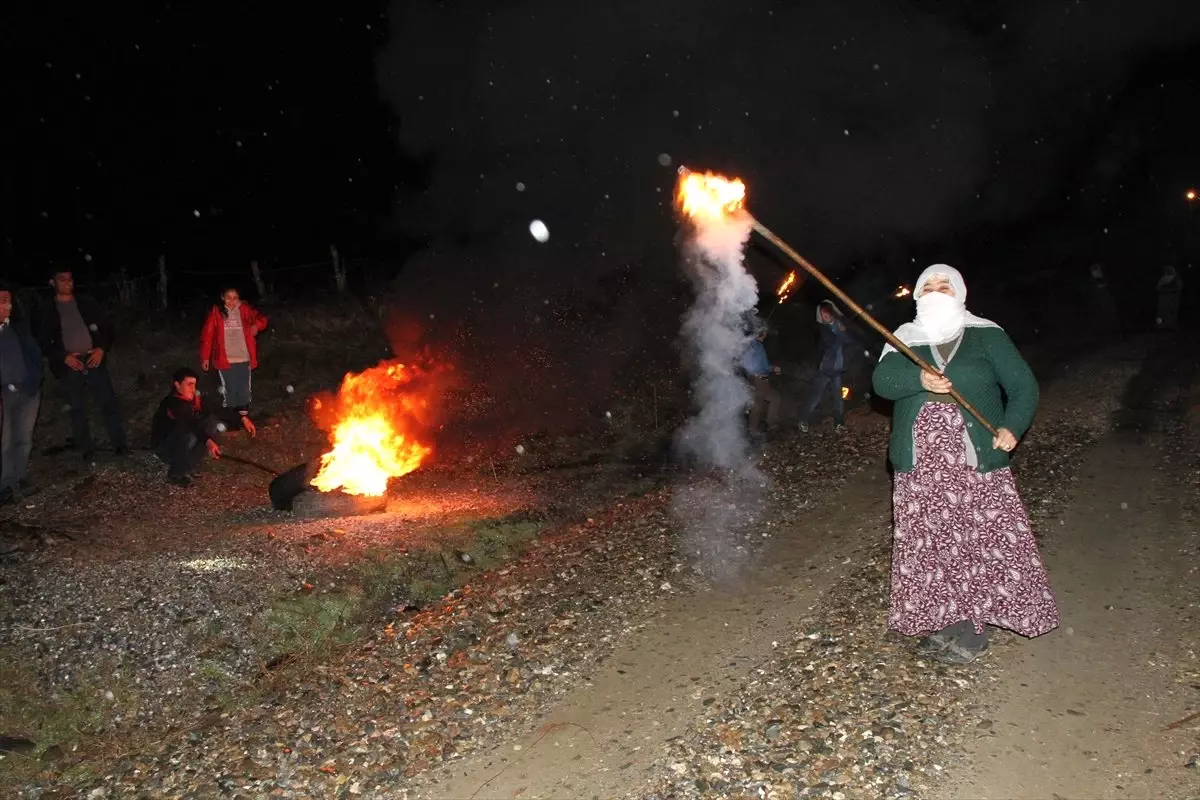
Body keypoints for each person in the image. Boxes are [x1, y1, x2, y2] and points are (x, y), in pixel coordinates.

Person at [872, 264, 1058, 665]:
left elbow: (1023, 387)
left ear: (959, 292)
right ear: (917, 295)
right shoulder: (904, 337)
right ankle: (943, 619)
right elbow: (882, 383)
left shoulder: (986, 335)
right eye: (928, 286)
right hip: (920, 463)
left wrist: (1012, 426)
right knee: (931, 539)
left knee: (971, 539)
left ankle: (973, 628)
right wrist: (918, 381)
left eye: (945, 285)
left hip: (970, 458)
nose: (936, 291)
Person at [37, 268, 127, 459]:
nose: (68, 283)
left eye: (70, 279)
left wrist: (101, 348)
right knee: (77, 408)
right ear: (53, 283)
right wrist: (63, 356)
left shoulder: (86, 303)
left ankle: (120, 444)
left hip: (93, 359)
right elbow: (43, 340)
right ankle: (86, 449)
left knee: (107, 402)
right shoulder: (47, 309)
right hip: (70, 364)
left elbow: (107, 328)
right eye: (62, 280)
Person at [151, 367, 257, 487]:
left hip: (181, 440)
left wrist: (241, 418)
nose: (193, 389)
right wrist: (208, 442)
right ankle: (176, 473)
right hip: (165, 447)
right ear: (177, 385)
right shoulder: (173, 403)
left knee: (210, 421)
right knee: (187, 433)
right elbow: (190, 423)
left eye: (194, 384)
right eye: (189, 384)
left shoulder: (194, 399)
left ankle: (189, 466)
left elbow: (216, 409)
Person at [0, 285, 44, 503]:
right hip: (3, 396)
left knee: (24, 439)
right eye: (1, 300)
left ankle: (19, 478)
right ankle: (5, 485)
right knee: (4, 442)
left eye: (8, 299)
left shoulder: (18, 328)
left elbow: (35, 355)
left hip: (27, 391)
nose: (6, 305)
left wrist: (34, 382)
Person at [199, 288, 268, 419]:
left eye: (235, 298)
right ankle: (231, 420)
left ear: (239, 298)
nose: (232, 301)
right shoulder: (216, 312)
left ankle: (244, 419)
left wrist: (256, 325)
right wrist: (205, 358)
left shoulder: (245, 309)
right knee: (230, 389)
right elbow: (207, 335)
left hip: (244, 357)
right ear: (222, 298)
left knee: (244, 390)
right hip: (225, 359)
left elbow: (262, 319)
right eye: (228, 297)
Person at [799, 300, 853, 434]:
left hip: (837, 369)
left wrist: (843, 332)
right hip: (825, 369)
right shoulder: (823, 329)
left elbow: (848, 341)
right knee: (816, 397)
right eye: (823, 314)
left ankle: (839, 424)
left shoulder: (839, 324)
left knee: (838, 399)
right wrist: (840, 333)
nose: (826, 315)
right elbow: (831, 344)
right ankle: (803, 421)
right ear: (821, 316)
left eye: (828, 312)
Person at [741, 325, 782, 435]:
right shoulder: (757, 346)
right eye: (765, 332)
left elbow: (754, 364)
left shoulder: (751, 345)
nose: (766, 334)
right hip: (759, 380)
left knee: (775, 398)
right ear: (762, 333)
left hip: (759, 379)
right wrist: (773, 368)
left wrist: (770, 368)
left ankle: (770, 423)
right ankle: (753, 430)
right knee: (757, 405)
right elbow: (760, 366)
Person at [1156, 265, 1183, 331]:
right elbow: (1158, 288)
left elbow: (1179, 287)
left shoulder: (1176, 279)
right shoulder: (1163, 279)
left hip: (1173, 298)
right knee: (1163, 312)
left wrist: (1171, 290)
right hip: (1165, 298)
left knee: (1172, 312)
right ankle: (1162, 325)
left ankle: (1172, 325)